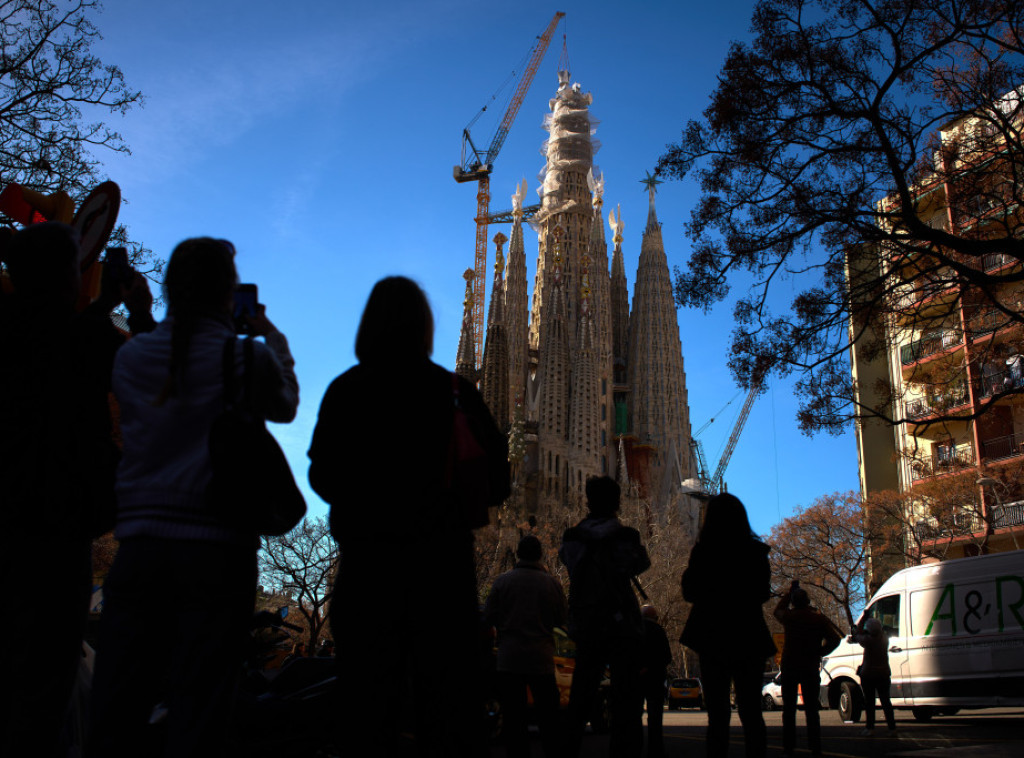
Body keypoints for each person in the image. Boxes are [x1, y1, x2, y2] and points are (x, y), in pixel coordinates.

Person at [88, 237, 298, 758]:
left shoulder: (133, 356)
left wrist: (138, 313)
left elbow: (166, 359)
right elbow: (287, 405)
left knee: (119, 703)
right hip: (217, 553)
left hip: (139, 550)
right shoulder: (244, 357)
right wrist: (267, 333)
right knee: (201, 709)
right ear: (230, 294)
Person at [308, 276, 509, 758]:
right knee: (445, 713)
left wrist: (366, 500)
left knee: (367, 710)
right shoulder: (455, 392)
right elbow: (499, 480)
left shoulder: (347, 389)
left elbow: (321, 476)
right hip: (442, 574)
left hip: (367, 570)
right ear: (425, 327)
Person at [0, 223, 154, 757]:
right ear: (70, 273)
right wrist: (135, 312)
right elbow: (156, 377)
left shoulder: (15, 329)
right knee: (44, 683)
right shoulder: (87, 340)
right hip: (58, 527)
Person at [560, 476, 651, 758]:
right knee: (626, 696)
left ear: (588, 501)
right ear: (616, 502)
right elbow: (640, 563)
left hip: (586, 622)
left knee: (582, 691)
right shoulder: (625, 536)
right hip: (620, 622)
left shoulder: (572, 537)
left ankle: (569, 748)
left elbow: (567, 560)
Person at [680, 493, 775, 758]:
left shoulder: (703, 552)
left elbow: (689, 591)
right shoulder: (756, 552)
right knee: (752, 713)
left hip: (712, 637)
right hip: (748, 635)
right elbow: (763, 593)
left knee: (718, 715)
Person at [483, 535, 567, 758]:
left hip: (509, 659)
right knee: (548, 717)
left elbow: (488, 617)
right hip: (541, 659)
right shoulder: (551, 584)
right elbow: (561, 618)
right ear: (539, 554)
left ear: (518, 554)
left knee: (513, 718)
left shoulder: (503, 582)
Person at [773, 582, 841, 758]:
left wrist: (788, 594)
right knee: (812, 709)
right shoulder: (818, 619)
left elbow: (777, 612)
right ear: (808, 601)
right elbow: (834, 639)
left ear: (794, 602)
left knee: (788, 710)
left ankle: (789, 746)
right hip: (810, 666)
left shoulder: (790, 617)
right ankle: (815, 745)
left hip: (790, 666)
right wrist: (820, 652)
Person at [849, 617, 897, 736]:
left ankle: (870, 728)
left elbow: (857, 635)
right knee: (886, 702)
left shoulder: (867, 641)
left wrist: (861, 622)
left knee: (869, 703)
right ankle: (892, 727)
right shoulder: (884, 639)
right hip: (884, 674)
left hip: (869, 675)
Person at [639, 605, 672, 758]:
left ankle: (635, 747)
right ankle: (655, 749)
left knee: (634, 715)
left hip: (636, 679)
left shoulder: (634, 630)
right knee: (655, 718)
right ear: (655, 618)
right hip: (655, 680)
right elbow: (667, 656)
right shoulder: (658, 631)